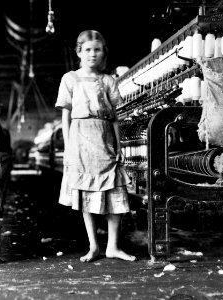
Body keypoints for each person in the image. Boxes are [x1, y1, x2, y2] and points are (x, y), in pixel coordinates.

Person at [55, 30, 136, 262]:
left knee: (115, 193)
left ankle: (112, 247)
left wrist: (119, 148)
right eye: (88, 50)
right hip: (80, 139)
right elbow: (65, 116)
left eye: (97, 50)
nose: (92, 54)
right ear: (79, 52)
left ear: (103, 53)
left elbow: (115, 119)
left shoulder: (108, 80)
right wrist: (69, 147)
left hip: (105, 139)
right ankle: (93, 246)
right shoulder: (69, 79)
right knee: (85, 194)